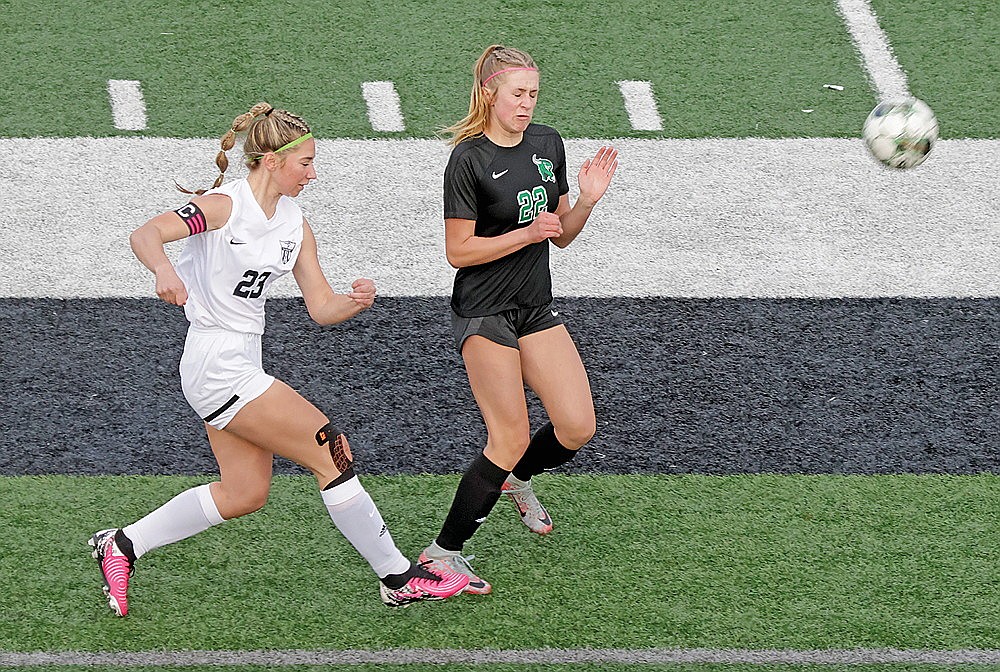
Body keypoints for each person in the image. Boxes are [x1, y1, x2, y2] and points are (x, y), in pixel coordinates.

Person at [89, 102, 469, 615]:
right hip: (216, 361)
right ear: (270, 160)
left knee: (244, 492)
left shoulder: (295, 223)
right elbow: (145, 234)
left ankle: (123, 544)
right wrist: (163, 271)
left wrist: (353, 303)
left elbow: (321, 307)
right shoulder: (222, 207)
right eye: (305, 163)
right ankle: (398, 577)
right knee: (330, 448)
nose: (313, 173)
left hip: (238, 359)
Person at [418, 46, 619, 594]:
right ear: (489, 93)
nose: (527, 105)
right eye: (517, 95)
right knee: (506, 435)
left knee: (578, 427)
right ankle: (441, 555)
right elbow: (458, 252)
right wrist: (525, 234)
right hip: (483, 310)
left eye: (533, 94)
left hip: (534, 305)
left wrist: (587, 202)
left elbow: (562, 231)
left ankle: (517, 481)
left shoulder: (546, 143)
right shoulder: (468, 159)